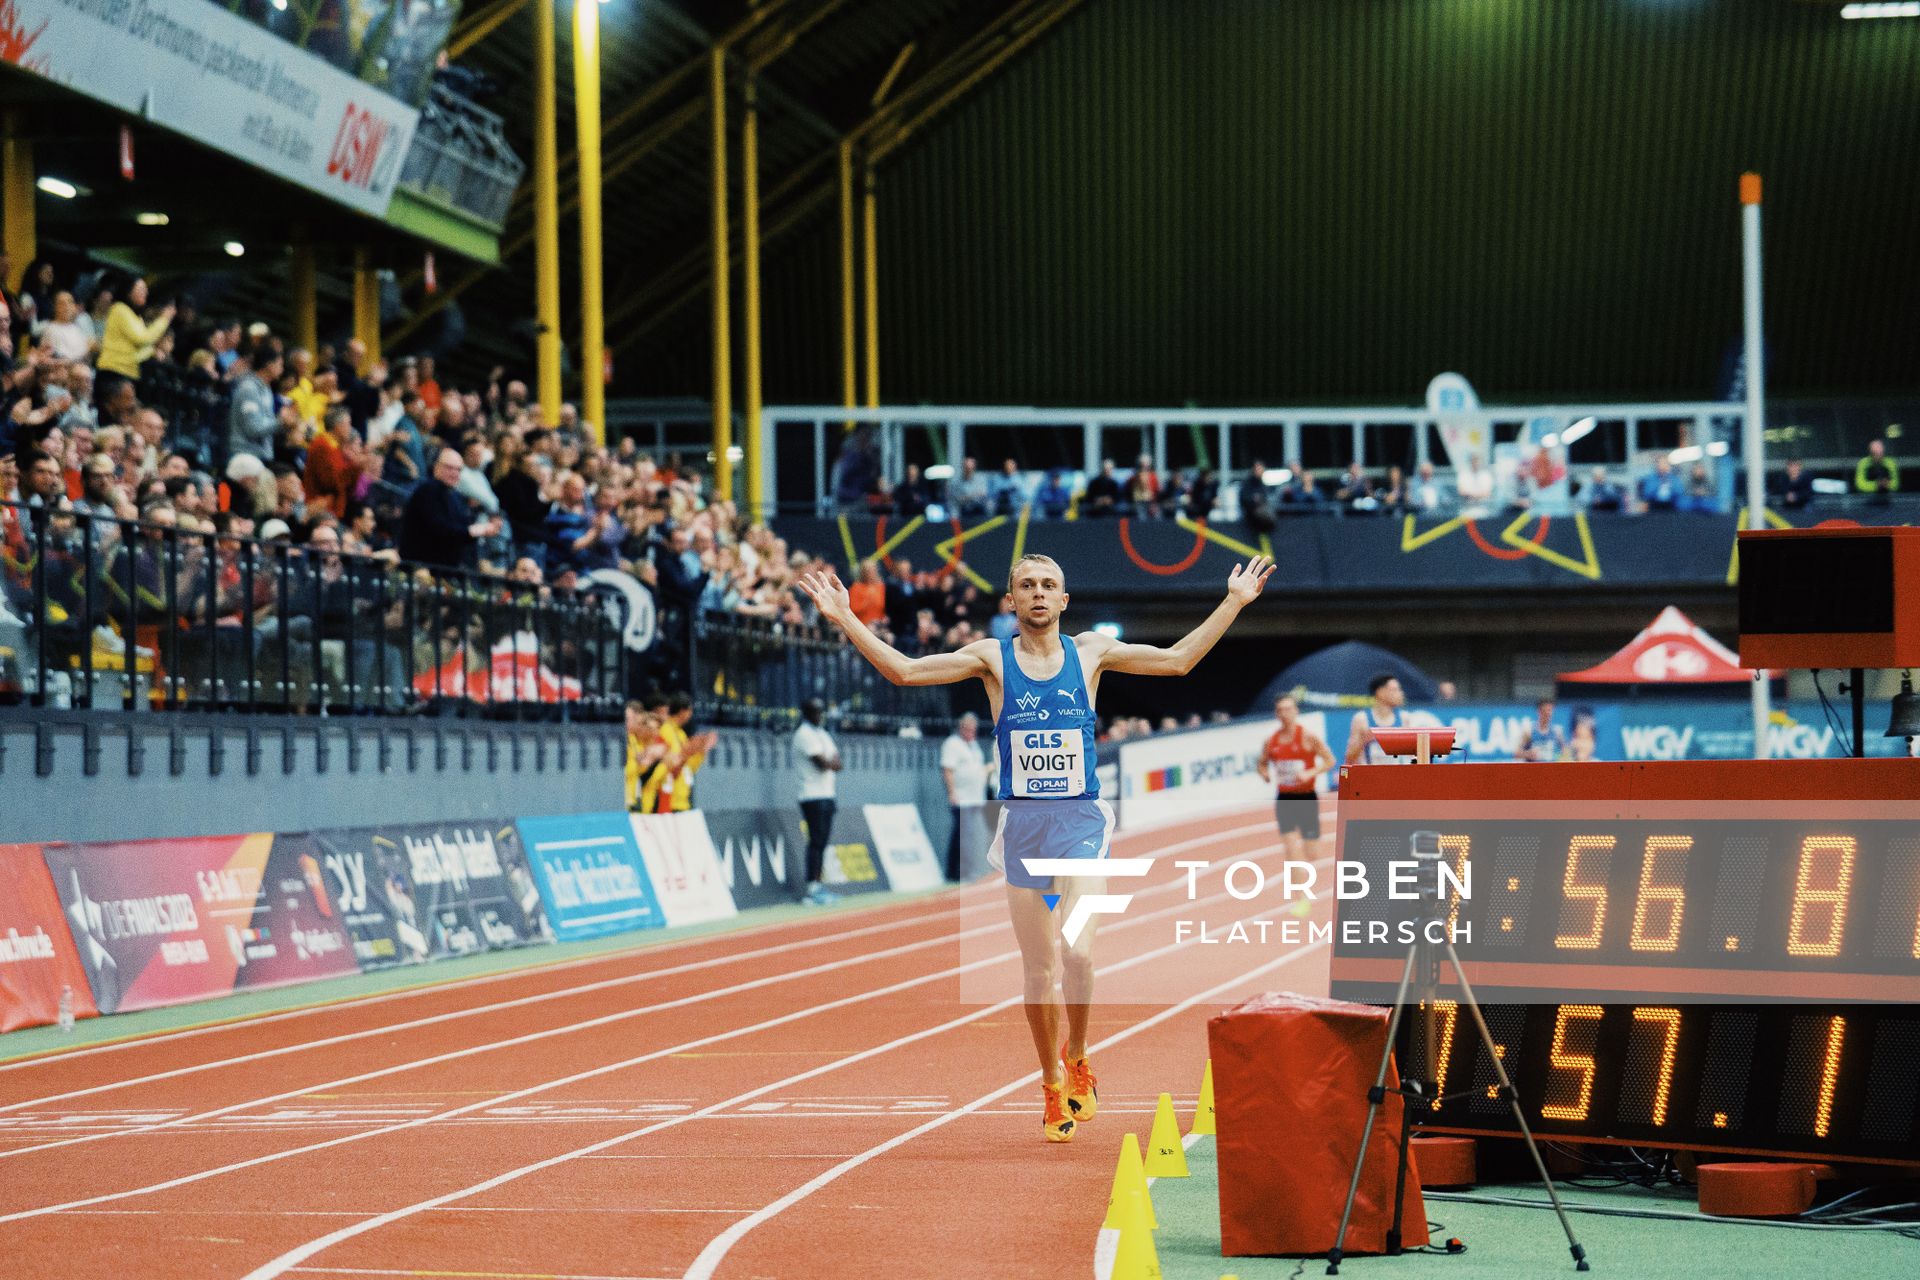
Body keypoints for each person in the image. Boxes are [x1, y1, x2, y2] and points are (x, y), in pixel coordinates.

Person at [796, 550, 1274, 1143]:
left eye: (1050, 584)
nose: (1039, 593)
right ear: (1012, 600)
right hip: (1022, 828)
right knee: (1039, 969)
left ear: (1064, 600)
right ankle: (1051, 1081)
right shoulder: (991, 659)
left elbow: (1176, 662)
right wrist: (846, 619)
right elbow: (906, 672)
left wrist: (1233, 601)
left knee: (1077, 953)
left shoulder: (1092, 651)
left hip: (1080, 825)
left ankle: (1079, 1056)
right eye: (1027, 585)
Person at [1256, 695, 1334, 859]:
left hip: (1306, 798)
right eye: (1280, 710)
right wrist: (1265, 774)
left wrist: (1309, 773)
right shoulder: (1271, 741)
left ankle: (1306, 874)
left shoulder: (1308, 736)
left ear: (1296, 711)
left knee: (1312, 854)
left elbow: (1330, 761)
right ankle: (1297, 884)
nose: (1285, 713)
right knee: (1291, 849)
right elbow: (1262, 763)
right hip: (1284, 798)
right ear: (1276, 714)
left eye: (1288, 709)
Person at [792, 697, 843, 904]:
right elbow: (823, 763)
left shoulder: (822, 734)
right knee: (815, 841)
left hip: (827, 793)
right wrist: (830, 761)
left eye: (822, 711)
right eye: (816, 711)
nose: (820, 715)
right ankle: (812, 888)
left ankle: (818, 885)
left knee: (822, 843)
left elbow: (838, 761)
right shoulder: (803, 734)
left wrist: (831, 761)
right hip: (812, 795)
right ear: (806, 713)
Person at [940, 712, 991, 881]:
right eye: (969, 729)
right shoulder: (953, 744)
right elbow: (948, 770)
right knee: (960, 835)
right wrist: (952, 792)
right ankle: (954, 872)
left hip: (976, 797)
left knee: (972, 836)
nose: (972, 732)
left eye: (973, 729)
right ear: (961, 728)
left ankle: (970, 869)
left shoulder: (974, 745)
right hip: (962, 797)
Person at [1344, 673, 1409, 766]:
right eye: (1395, 690)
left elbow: (1410, 756)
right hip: (1371, 777)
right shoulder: (1361, 719)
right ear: (1380, 692)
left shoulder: (1404, 718)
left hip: (1397, 777)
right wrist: (1364, 740)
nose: (1401, 693)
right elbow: (1349, 758)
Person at [1515, 698, 1568, 762]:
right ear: (1539, 711)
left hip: (1551, 769)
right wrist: (1528, 754)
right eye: (1545, 710)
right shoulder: (1529, 731)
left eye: (1550, 710)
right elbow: (1516, 753)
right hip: (1533, 769)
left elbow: (1566, 752)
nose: (1548, 714)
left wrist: (1555, 756)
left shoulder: (1557, 731)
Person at [1855, 438, 1900, 505]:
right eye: (1875, 453)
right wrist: (1876, 485)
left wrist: (1887, 484)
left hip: (1887, 500)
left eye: (1880, 453)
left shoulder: (1890, 463)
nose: (1878, 456)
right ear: (1870, 452)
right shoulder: (1863, 463)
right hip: (1867, 500)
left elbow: (1896, 484)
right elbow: (1860, 484)